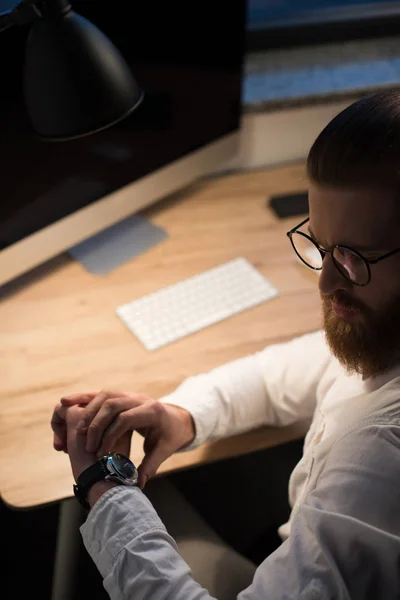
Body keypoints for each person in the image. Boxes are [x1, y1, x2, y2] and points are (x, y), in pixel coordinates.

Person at [51, 90, 400, 599]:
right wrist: (182, 415)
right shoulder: (384, 333)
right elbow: (296, 369)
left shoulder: (382, 455)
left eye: (352, 259)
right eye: (321, 247)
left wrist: (104, 486)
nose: (326, 284)